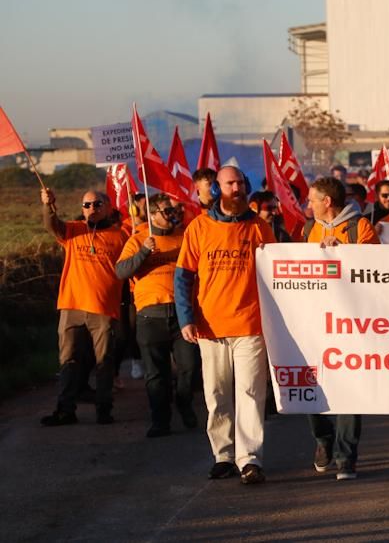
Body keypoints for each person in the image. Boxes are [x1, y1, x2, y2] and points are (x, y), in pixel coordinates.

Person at [174, 166, 276, 485]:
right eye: (230, 183)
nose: (237, 188)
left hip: (250, 324)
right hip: (210, 326)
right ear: (217, 188)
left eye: (240, 182)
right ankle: (223, 455)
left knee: (250, 393)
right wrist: (186, 318)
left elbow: (277, 273)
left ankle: (250, 459)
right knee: (217, 393)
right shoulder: (199, 227)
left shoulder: (260, 227)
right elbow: (183, 276)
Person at [304, 177, 379, 479]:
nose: (308, 205)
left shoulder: (360, 227)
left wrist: (344, 253)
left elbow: (377, 270)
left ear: (327, 202)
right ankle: (323, 438)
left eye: (312, 200)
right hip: (315, 319)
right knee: (310, 383)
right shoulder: (308, 230)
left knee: (349, 387)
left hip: (351, 322)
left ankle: (345, 455)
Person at [39, 188, 126, 426]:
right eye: (86, 205)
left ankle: (104, 409)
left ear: (108, 208)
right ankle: (65, 410)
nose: (91, 209)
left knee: (104, 361)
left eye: (97, 204)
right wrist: (48, 205)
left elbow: (132, 266)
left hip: (104, 309)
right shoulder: (73, 230)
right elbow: (51, 225)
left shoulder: (120, 237)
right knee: (68, 360)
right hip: (72, 306)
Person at [115, 194, 198, 437]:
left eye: (173, 211)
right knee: (156, 374)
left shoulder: (184, 237)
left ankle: (183, 401)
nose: (172, 215)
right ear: (152, 215)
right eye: (166, 211)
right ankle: (160, 420)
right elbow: (121, 271)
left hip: (182, 314)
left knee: (190, 366)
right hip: (150, 316)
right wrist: (143, 251)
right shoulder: (138, 239)